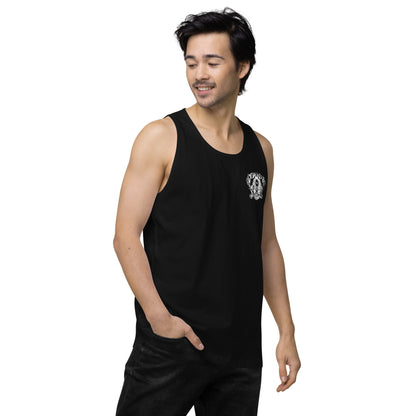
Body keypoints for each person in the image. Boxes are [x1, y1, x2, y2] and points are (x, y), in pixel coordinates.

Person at [113, 7, 301, 416]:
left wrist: (286, 329)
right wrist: (159, 319)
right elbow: (125, 235)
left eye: (212, 63)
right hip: (171, 343)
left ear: (242, 67)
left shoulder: (261, 150)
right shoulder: (160, 138)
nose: (199, 74)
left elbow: (266, 245)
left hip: (240, 350)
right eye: (191, 62)